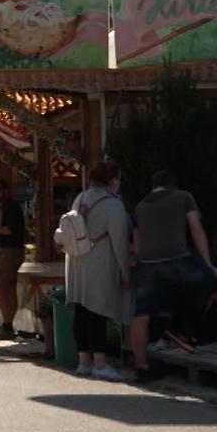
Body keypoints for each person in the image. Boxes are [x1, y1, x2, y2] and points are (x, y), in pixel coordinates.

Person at [129, 170, 217, 378]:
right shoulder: (183, 196)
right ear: (173, 185)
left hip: (147, 265)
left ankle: (141, 367)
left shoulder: (140, 206)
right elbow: (196, 228)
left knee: (141, 315)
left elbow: (137, 245)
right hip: (178, 260)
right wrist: (209, 264)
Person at [63, 159, 130, 381]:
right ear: (112, 181)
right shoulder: (113, 204)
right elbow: (119, 241)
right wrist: (125, 271)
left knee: (81, 311)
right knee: (98, 312)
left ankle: (83, 362)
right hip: (100, 261)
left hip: (75, 261)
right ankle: (100, 364)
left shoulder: (80, 198)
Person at [0, 181, 28, 339]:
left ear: (5, 191)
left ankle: (7, 325)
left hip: (11, 250)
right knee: (8, 289)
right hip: (5, 249)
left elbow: (10, 230)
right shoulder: (2, 207)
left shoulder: (11, 207)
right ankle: (8, 324)